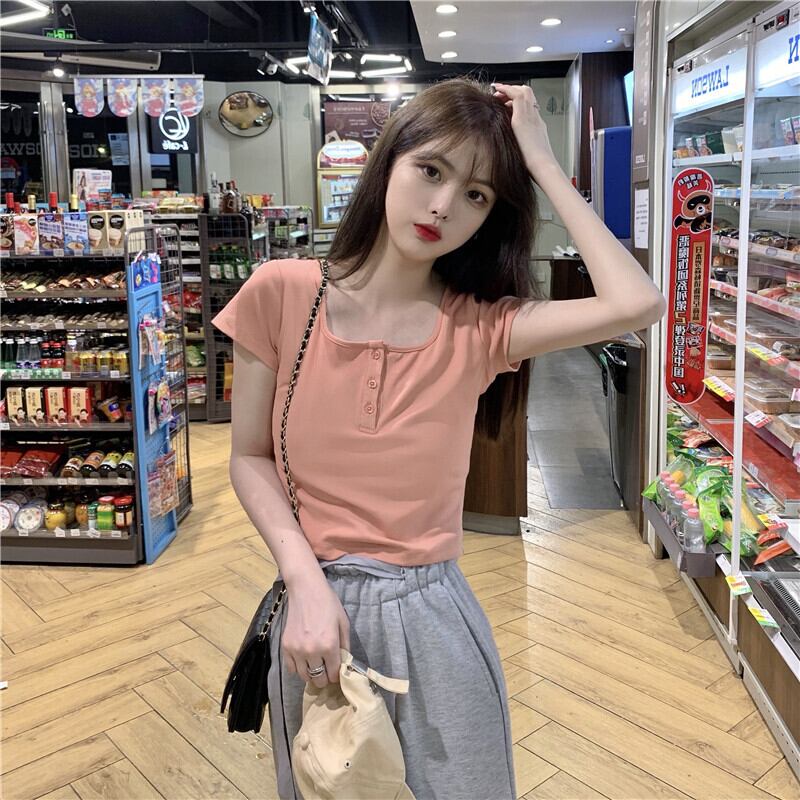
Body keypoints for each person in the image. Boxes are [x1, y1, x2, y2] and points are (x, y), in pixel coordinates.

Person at [212, 78, 665, 800]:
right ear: (388, 161)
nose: (444, 205)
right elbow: (250, 457)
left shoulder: (481, 327)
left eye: (477, 194)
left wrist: (543, 162)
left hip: (432, 614)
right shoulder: (281, 292)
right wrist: (302, 579)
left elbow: (637, 302)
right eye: (431, 170)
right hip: (315, 619)